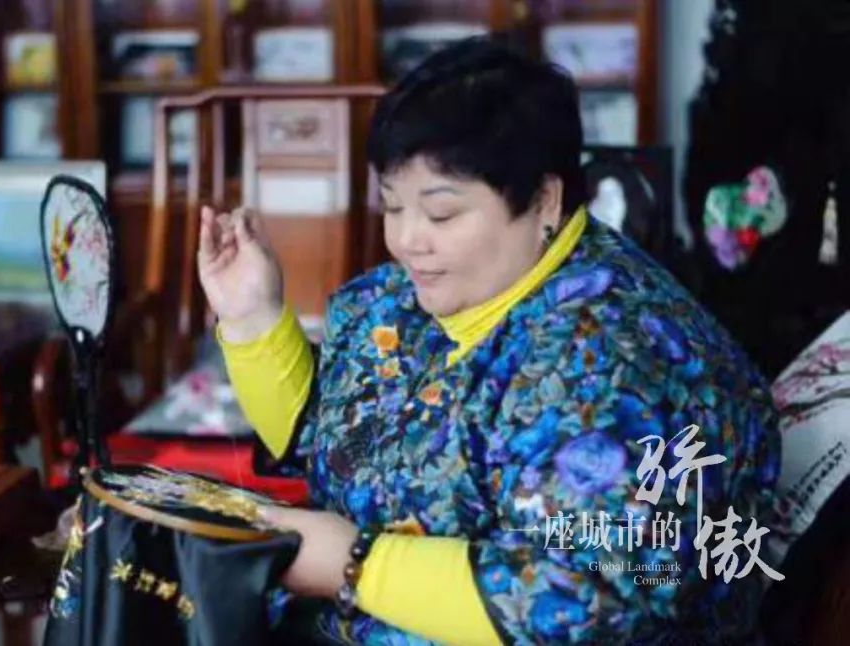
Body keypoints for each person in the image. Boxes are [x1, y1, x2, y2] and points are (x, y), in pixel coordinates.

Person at [197, 37, 780, 645]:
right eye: (392, 206)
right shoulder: (410, 299)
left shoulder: (612, 364)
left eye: (441, 214)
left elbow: (583, 604)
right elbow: (330, 445)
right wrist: (252, 318)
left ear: (544, 200)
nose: (407, 240)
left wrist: (355, 565)